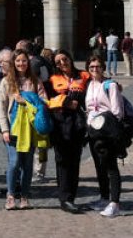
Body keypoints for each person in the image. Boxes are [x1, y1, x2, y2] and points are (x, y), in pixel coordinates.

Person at [0, 49, 48, 210]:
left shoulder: (35, 81)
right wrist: (4, 130)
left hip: (31, 128)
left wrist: (26, 101)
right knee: (14, 162)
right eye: (18, 61)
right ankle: (11, 195)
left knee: (27, 164)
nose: (21, 64)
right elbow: (1, 106)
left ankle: (24, 196)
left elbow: (44, 102)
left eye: (24, 61)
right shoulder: (6, 82)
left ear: (28, 63)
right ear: (13, 63)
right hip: (13, 129)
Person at [45, 49, 89, 212]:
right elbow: (47, 101)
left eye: (64, 59)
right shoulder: (52, 79)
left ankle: (72, 196)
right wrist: (64, 102)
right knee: (62, 161)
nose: (62, 63)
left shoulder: (84, 76)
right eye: (58, 62)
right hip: (59, 123)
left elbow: (94, 90)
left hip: (77, 123)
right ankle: (64, 199)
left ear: (70, 58)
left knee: (74, 161)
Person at [84, 58, 123, 218]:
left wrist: (105, 124)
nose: (94, 69)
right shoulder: (89, 85)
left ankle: (115, 203)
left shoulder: (110, 85)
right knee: (99, 166)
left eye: (98, 66)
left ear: (103, 67)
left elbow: (117, 111)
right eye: (91, 66)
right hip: (93, 131)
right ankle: (104, 197)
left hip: (107, 131)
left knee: (111, 167)